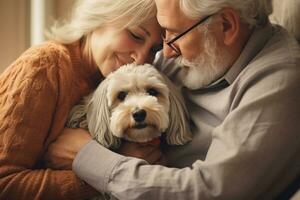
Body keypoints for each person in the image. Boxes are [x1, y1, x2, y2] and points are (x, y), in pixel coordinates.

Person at [46, 0, 300, 199]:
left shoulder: (279, 83)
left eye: (174, 34)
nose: (164, 53)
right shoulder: (187, 54)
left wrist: (88, 156)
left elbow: (207, 191)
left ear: (226, 25)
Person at [0, 0, 162, 199]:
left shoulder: (117, 82)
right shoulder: (43, 67)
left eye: (155, 49)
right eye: (136, 35)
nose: (141, 59)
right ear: (101, 16)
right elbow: (5, 184)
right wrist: (110, 172)